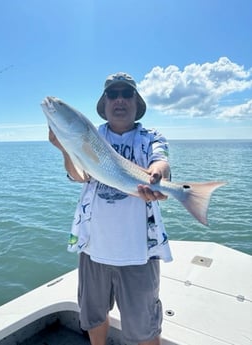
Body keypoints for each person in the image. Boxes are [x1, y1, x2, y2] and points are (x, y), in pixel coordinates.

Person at [49, 72, 172, 345]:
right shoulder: (90, 135)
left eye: (126, 94)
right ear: (104, 103)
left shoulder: (150, 137)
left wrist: (157, 175)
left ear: (136, 101)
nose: (119, 100)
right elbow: (80, 175)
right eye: (112, 95)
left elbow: (161, 163)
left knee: (145, 328)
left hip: (139, 253)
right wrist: (65, 149)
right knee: (94, 317)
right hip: (94, 249)